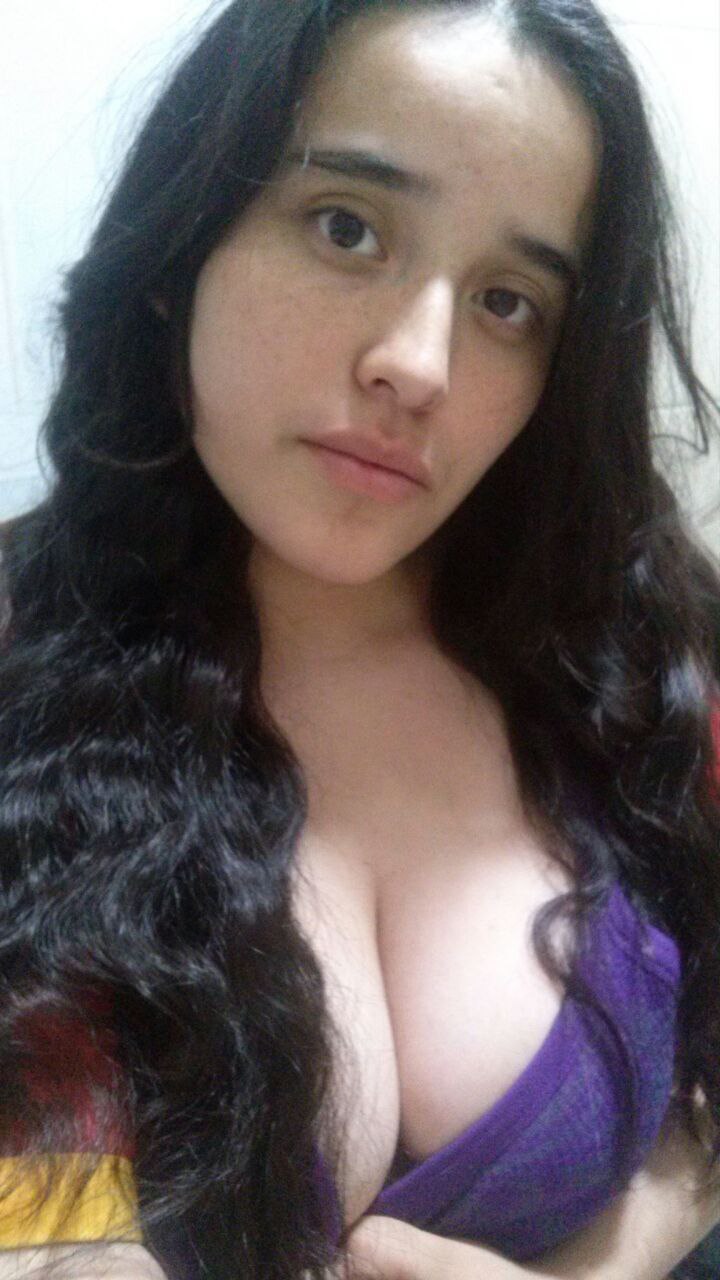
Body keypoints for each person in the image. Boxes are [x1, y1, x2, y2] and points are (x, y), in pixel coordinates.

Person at [1, 0, 719, 1277]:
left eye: (508, 301)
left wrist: (622, 1256)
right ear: (182, 243)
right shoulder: (20, 656)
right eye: (347, 227)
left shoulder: (628, 643)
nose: (420, 363)